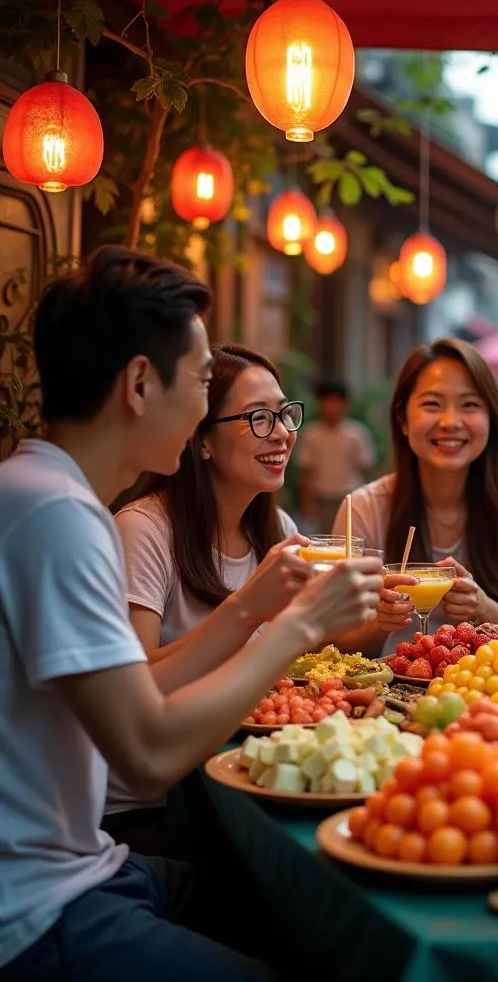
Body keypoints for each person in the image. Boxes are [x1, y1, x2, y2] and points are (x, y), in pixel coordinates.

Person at [0, 246, 382, 981]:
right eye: (205, 381)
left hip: (91, 864)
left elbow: (140, 693)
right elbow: (148, 750)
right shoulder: (58, 516)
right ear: (141, 384)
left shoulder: (47, 493)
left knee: (303, 908)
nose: (210, 405)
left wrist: (251, 611)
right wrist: (298, 627)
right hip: (37, 909)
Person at [106, 344, 310, 851]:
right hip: (153, 807)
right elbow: (138, 689)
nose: (282, 432)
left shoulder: (277, 529)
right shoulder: (144, 530)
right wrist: (245, 615)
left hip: (241, 769)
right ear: (201, 441)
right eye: (259, 418)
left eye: (285, 414)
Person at [333, 338, 498, 656]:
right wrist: (380, 621)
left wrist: (484, 607)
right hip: (388, 693)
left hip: (485, 691)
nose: (450, 422)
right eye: (432, 404)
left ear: (491, 419)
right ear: (404, 419)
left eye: (470, 405)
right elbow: (338, 641)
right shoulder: (362, 508)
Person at [297, 379, 376, 533]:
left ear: (345, 404)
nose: (331, 407)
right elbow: (307, 472)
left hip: (350, 496)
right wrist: (307, 504)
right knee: (323, 539)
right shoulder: (311, 435)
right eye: (326, 401)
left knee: (350, 537)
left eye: (336, 402)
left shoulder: (357, 434)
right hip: (322, 500)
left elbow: (366, 469)